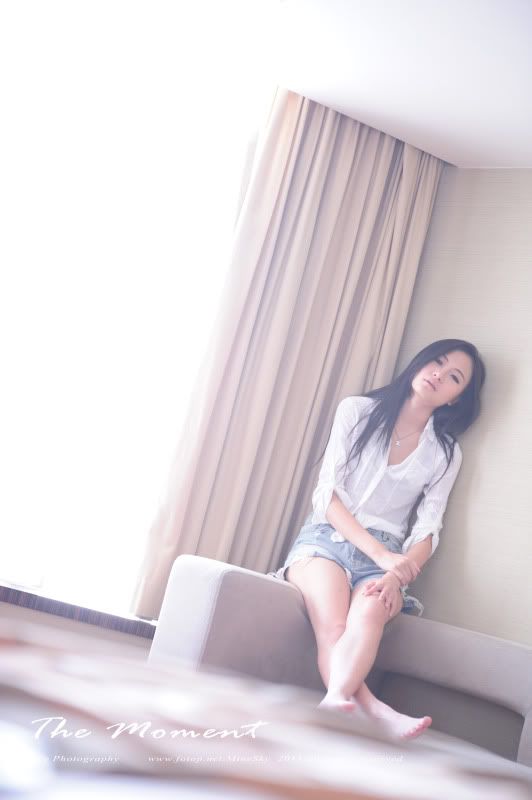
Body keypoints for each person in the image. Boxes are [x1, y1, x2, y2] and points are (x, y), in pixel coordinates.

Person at [269, 338, 486, 739]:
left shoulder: (445, 453)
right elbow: (326, 497)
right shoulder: (357, 411)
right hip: (326, 539)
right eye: (437, 362)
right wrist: (381, 555)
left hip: (385, 562)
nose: (439, 374)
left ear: (456, 398)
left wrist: (394, 575)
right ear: (420, 362)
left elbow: (428, 530)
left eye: (454, 377)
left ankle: (337, 703)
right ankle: (371, 708)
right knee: (334, 625)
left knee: (369, 612)